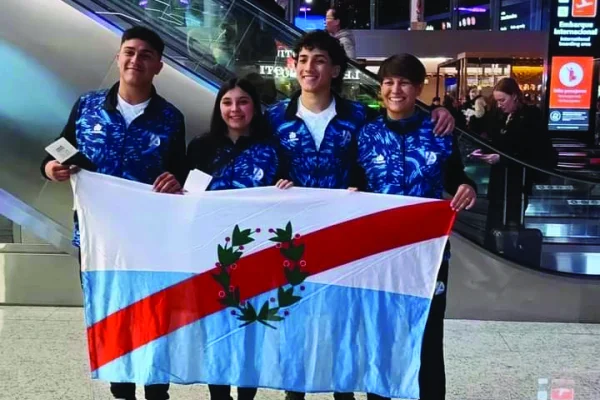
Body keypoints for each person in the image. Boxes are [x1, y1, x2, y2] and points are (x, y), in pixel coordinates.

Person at [265, 30, 455, 400]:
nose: (309, 67)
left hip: (348, 241)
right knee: (297, 326)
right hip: (293, 241)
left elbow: (399, 118)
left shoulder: (358, 119)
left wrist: (439, 109)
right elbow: (243, 149)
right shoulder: (273, 118)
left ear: (335, 70)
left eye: (319, 60)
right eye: (303, 60)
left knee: (349, 326)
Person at [40, 26, 186, 400]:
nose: (136, 60)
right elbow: (58, 151)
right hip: (96, 236)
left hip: (150, 237)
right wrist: (50, 169)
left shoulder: (171, 118)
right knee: (110, 312)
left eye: (146, 55)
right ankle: (120, 388)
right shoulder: (87, 106)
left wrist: (175, 181)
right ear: (119, 57)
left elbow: (180, 172)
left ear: (158, 66)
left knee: (153, 314)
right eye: (130, 52)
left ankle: (156, 389)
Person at [355, 54, 477, 400]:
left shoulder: (439, 132)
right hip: (378, 254)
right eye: (389, 82)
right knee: (380, 335)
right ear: (380, 89)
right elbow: (353, 184)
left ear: (419, 88)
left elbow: (457, 178)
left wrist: (469, 187)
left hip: (429, 254)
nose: (396, 89)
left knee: (427, 335)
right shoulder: (366, 134)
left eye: (405, 82)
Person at [187, 77, 291, 400]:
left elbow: (288, 200)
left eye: (243, 102)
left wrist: (287, 191)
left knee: (251, 330)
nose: (235, 109)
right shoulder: (201, 148)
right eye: (228, 102)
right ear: (219, 108)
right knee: (215, 330)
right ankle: (218, 394)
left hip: (257, 254)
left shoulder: (272, 150)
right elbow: (188, 200)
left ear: (255, 108)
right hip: (211, 254)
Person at [480, 77, 557, 239]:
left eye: (503, 100)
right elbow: (494, 140)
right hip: (499, 181)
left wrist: (502, 158)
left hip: (517, 180)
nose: (500, 104)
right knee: (495, 218)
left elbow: (532, 150)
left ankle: (511, 250)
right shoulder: (498, 115)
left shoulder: (531, 116)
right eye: (497, 101)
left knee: (512, 220)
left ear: (514, 96)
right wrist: (483, 151)